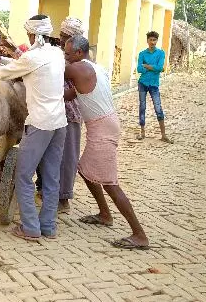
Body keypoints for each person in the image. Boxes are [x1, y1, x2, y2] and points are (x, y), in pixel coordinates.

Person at [0, 14, 67, 240]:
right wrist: (2, 59)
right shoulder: (57, 53)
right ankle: (48, 226)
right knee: (51, 176)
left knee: (23, 175)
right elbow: (24, 64)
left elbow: (4, 73)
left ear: (34, 34)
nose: (26, 36)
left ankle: (30, 228)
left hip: (40, 124)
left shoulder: (34, 57)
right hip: (59, 123)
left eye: (28, 33)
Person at [63, 35, 149, 250]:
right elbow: (74, 93)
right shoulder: (93, 68)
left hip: (102, 127)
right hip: (105, 123)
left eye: (68, 52)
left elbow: (51, 70)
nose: (65, 55)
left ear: (79, 53)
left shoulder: (77, 69)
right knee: (84, 169)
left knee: (110, 183)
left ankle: (139, 235)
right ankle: (104, 213)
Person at [34, 17, 85, 214]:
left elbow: (74, 89)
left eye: (66, 37)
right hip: (53, 112)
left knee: (68, 156)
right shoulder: (61, 52)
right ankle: (45, 189)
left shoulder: (80, 59)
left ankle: (63, 198)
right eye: (61, 36)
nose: (62, 40)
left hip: (70, 113)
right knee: (49, 153)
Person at [136, 31, 172, 143]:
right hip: (142, 83)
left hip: (154, 85)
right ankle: (142, 132)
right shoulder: (142, 54)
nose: (152, 42)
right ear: (147, 41)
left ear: (157, 41)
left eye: (154, 40)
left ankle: (163, 135)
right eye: (150, 40)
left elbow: (160, 68)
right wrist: (153, 67)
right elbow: (139, 69)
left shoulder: (161, 53)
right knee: (142, 107)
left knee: (158, 108)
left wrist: (146, 66)